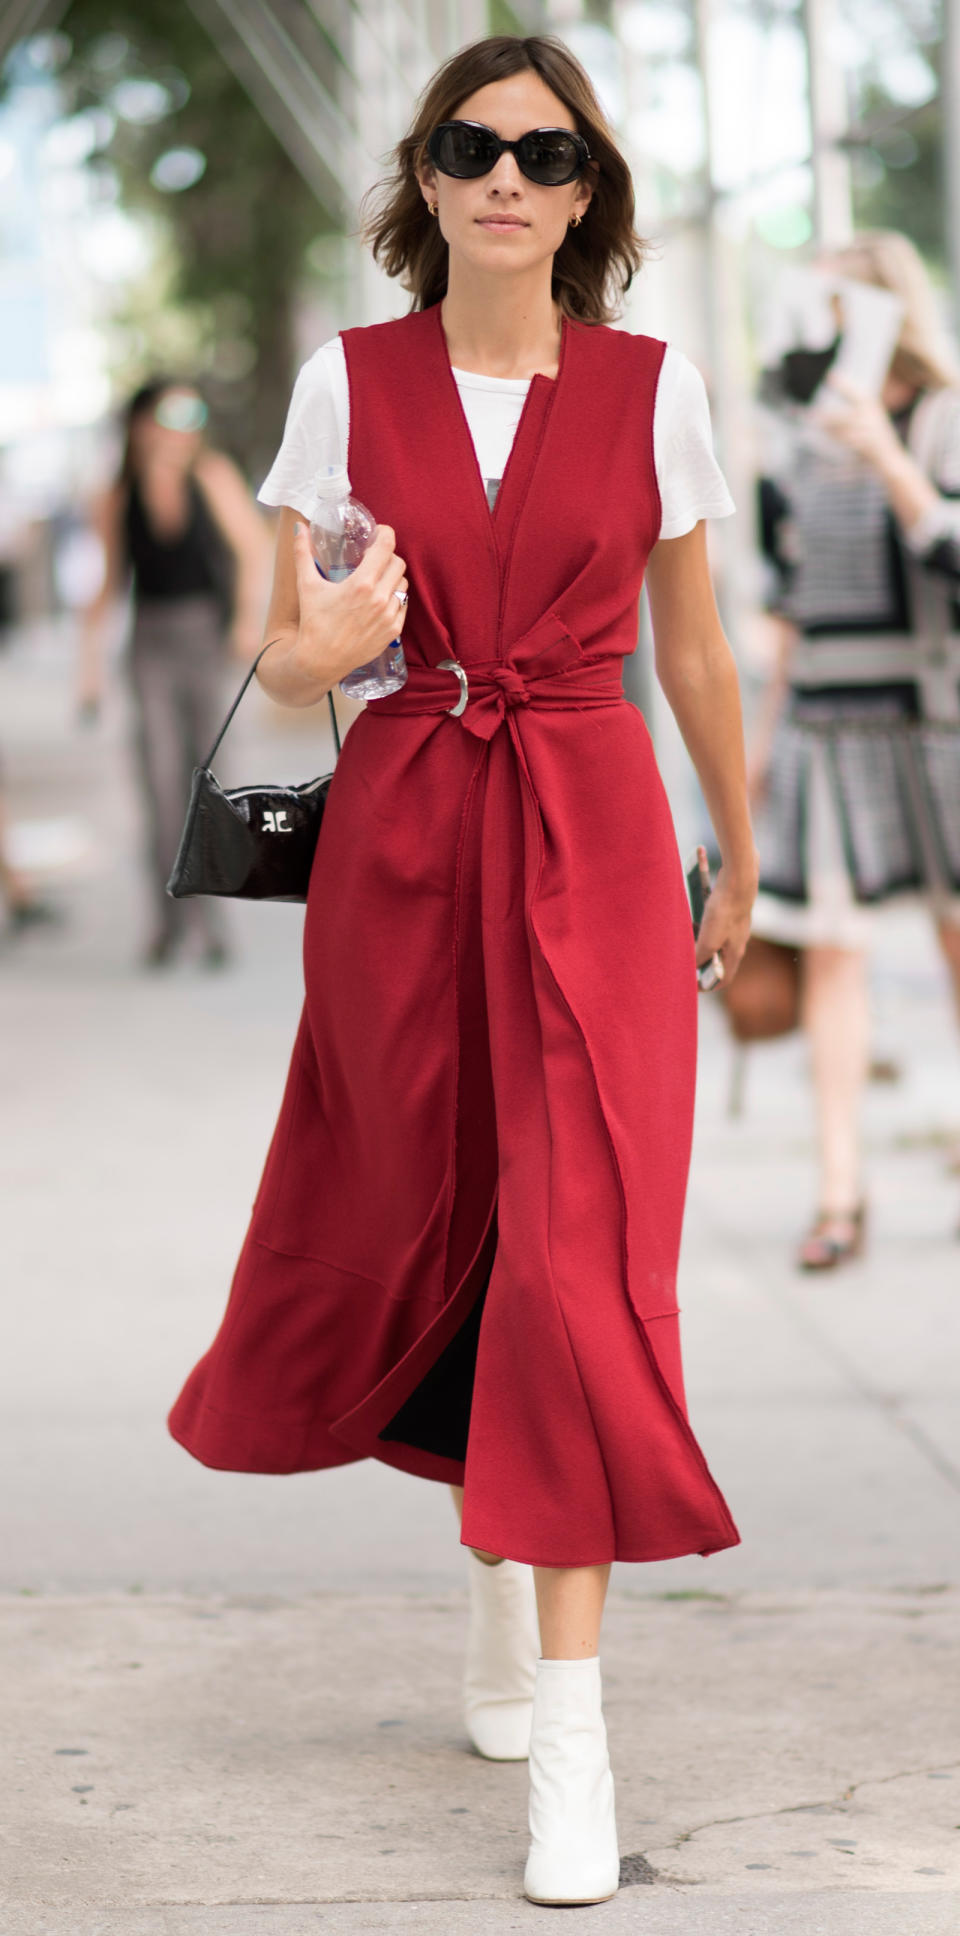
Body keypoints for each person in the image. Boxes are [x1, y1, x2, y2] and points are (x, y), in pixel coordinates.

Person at [167, 33, 757, 1907]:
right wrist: (314, 649)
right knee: (451, 1223)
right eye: (470, 145)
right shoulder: (347, 390)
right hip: (408, 845)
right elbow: (285, 651)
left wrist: (739, 844)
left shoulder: (659, 394)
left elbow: (699, 656)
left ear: (591, 197)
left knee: (580, 1260)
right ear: (423, 182)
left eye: (547, 152)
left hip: (592, 830)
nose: (508, 176)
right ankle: (502, 1587)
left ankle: (573, 1743)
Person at [750, 231, 960, 1269]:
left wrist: (882, 446)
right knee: (832, 950)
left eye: (839, 311)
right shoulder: (791, 440)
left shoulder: (942, 420)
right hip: (826, 722)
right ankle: (841, 1191)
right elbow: (784, 595)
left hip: (937, 720)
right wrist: (753, 738)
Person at [79, 378, 272, 966]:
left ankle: (211, 925)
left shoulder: (210, 476)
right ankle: (167, 923)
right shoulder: (118, 494)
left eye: (192, 413)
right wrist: (87, 672)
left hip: (204, 641)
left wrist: (246, 624)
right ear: (140, 423)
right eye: (170, 413)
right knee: (159, 786)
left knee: (209, 787)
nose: (182, 426)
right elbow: (108, 587)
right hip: (149, 644)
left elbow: (255, 549)